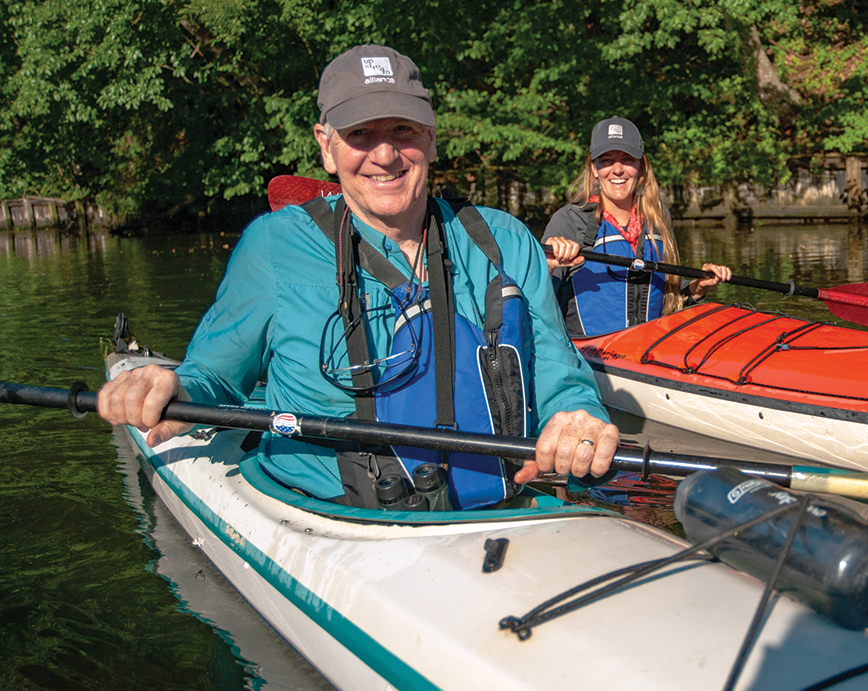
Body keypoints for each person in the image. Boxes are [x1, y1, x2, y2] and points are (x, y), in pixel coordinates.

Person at [97, 44, 619, 510]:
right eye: (360, 134)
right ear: (327, 147)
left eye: (403, 131)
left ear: (431, 140)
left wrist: (577, 412)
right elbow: (215, 377)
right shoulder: (274, 246)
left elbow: (555, 363)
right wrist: (174, 387)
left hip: (488, 511)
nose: (385, 153)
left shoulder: (504, 239)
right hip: (324, 514)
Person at [542, 116, 732, 337]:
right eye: (606, 160)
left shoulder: (658, 218)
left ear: (641, 166)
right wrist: (547, 266)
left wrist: (696, 288)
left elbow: (664, 298)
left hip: (648, 349)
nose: (618, 170)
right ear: (594, 168)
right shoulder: (569, 220)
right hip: (589, 356)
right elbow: (537, 302)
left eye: (627, 159)